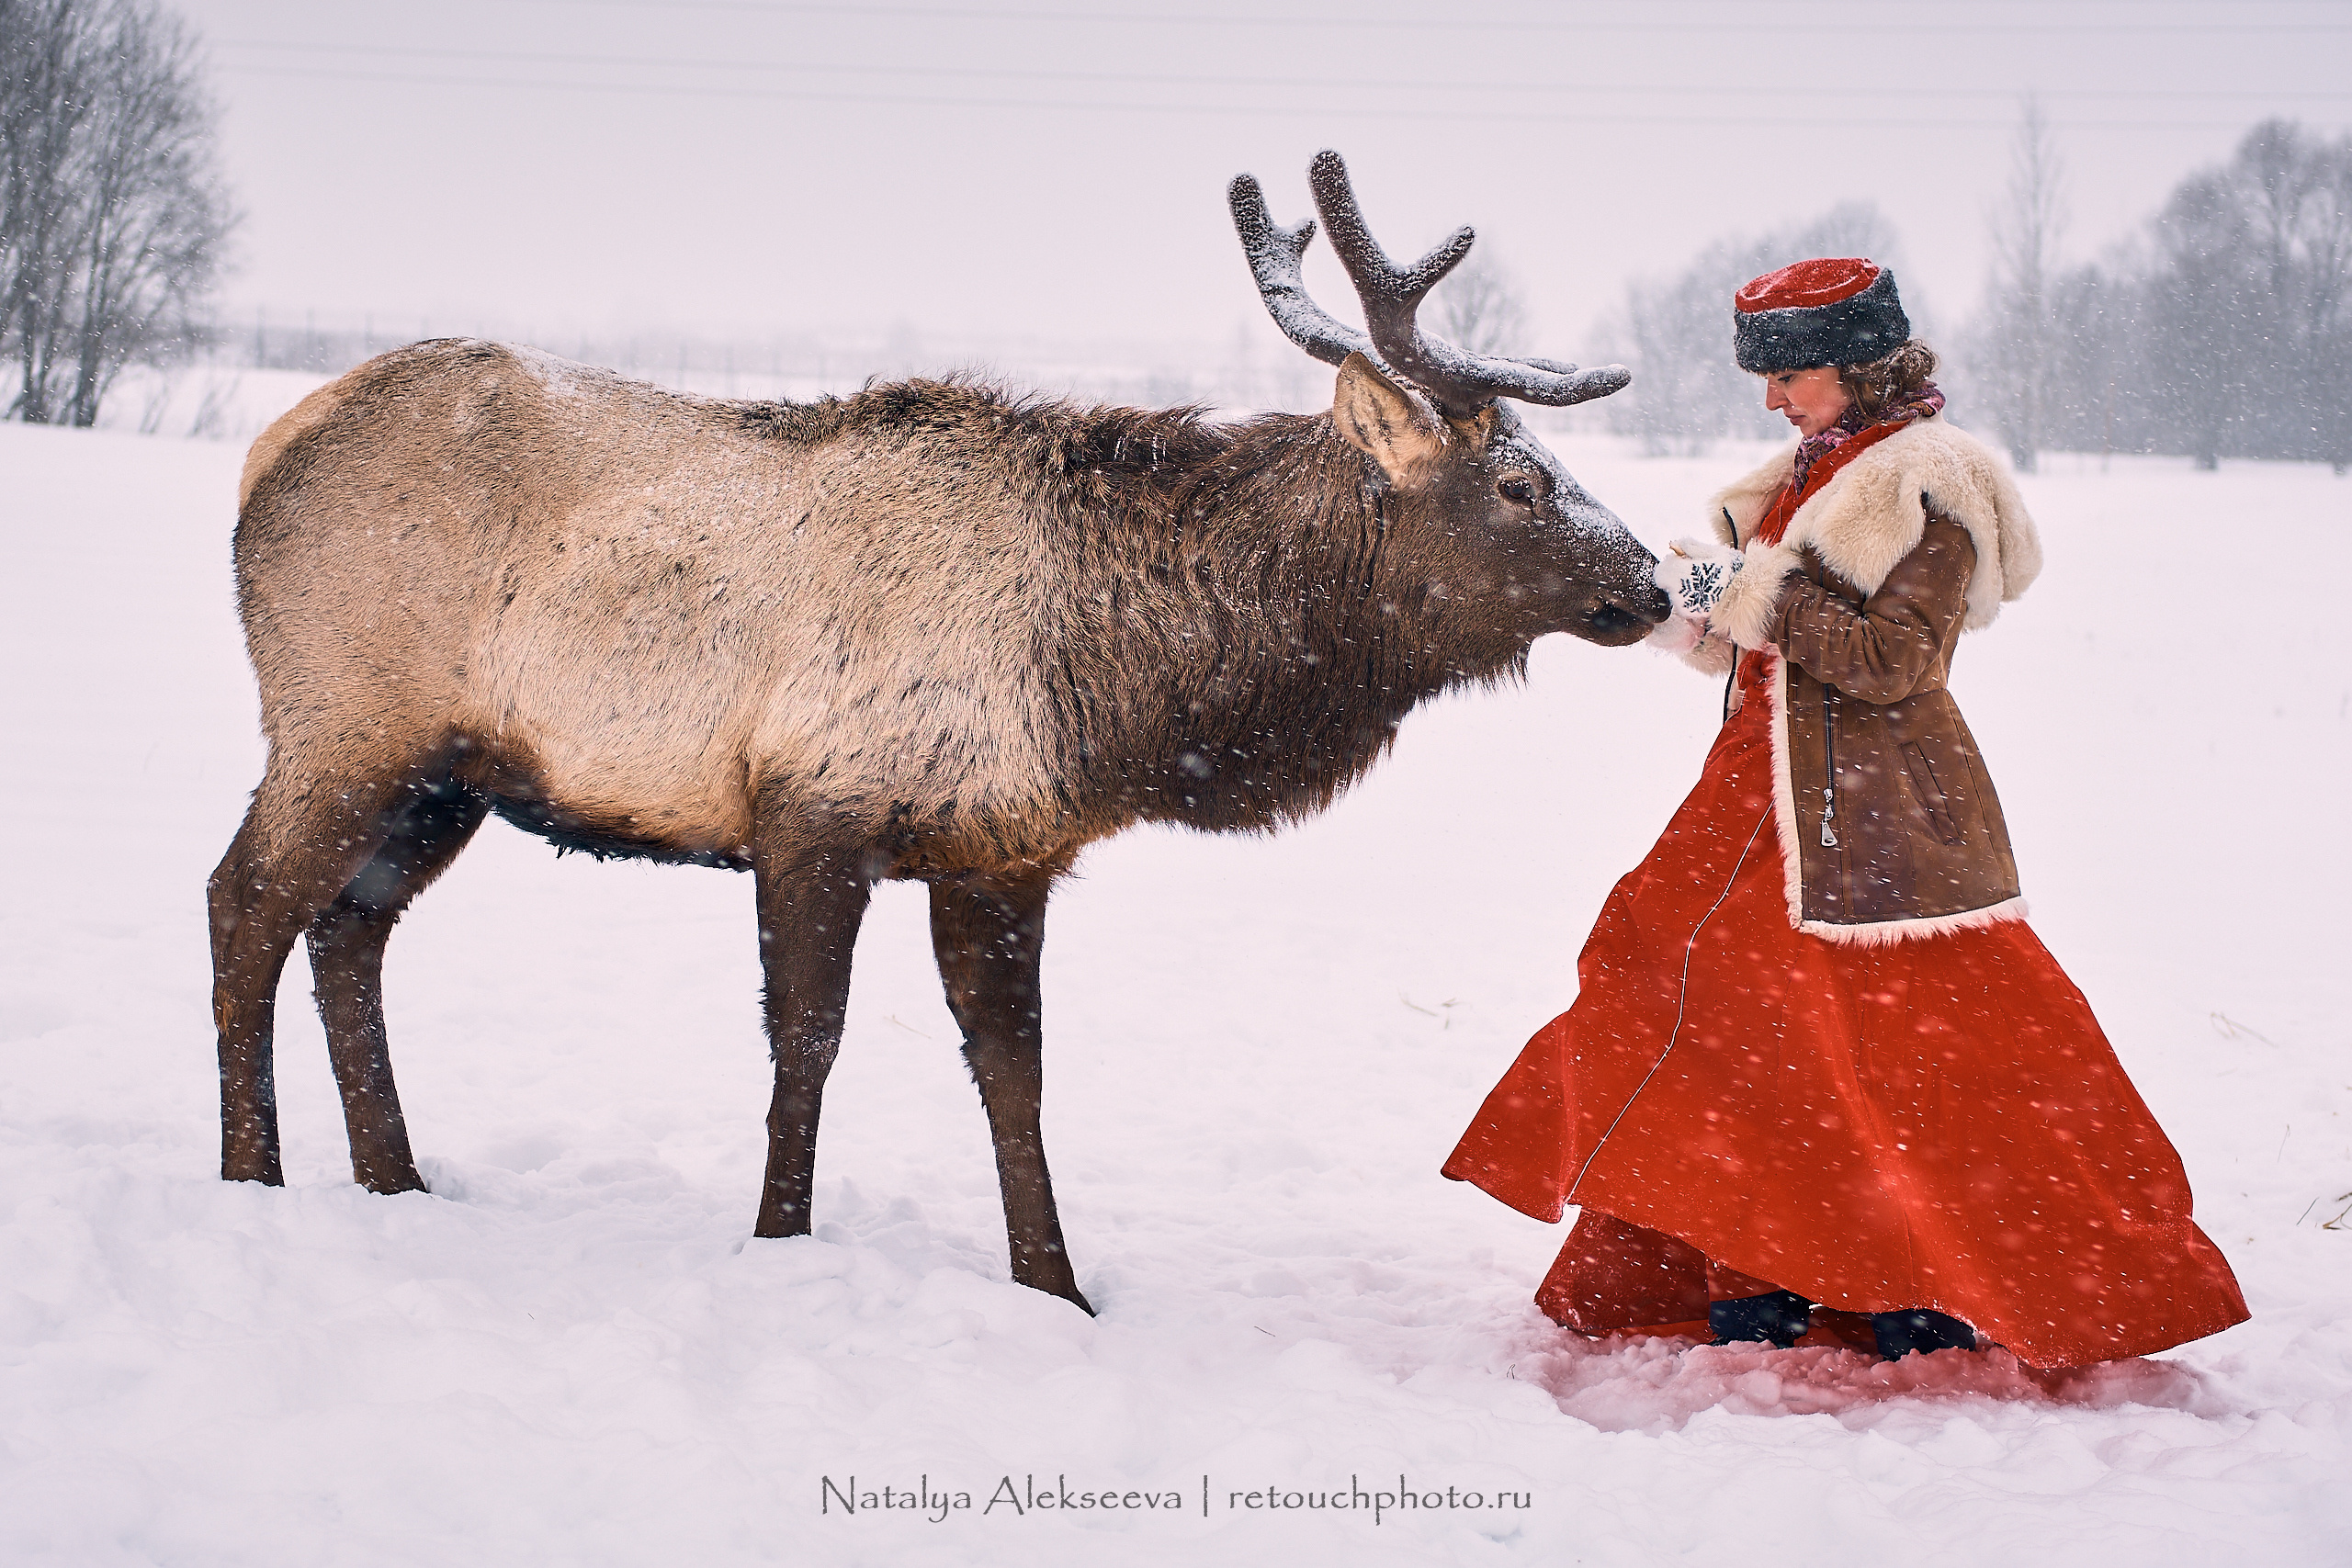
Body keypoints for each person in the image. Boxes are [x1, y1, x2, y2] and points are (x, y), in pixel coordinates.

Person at [1442, 257, 2248, 1366]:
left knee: (1899, 1047)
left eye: (1791, 375)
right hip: (1751, 791)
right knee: (1696, 1001)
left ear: (1860, 363)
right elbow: (1771, 649)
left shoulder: (1927, 483)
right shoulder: (1807, 471)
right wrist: (1690, 617)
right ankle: (1757, 1266)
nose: (1772, 400)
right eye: (1764, 378)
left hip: (1873, 810)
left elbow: (1894, 659)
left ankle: (1904, 1280)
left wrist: (1749, 594)